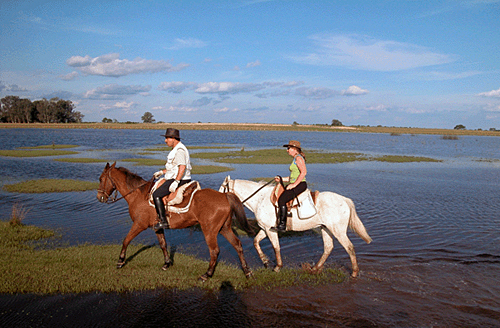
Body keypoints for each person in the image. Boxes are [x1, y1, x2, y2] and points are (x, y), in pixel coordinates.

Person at [152, 128, 192, 231]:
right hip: (175, 176)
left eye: (167, 138)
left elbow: (182, 167)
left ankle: (163, 222)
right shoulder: (175, 149)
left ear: (174, 138)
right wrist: (162, 172)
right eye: (165, 138)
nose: (165, 141)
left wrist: (177, 182)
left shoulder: (179, 150)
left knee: (156, 194)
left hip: (180, 179)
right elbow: (173, 168)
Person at [271, 140, 307, 232]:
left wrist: (294, 185)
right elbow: (292, 177)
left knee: (282, 199)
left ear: (295, 149)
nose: (287, 150)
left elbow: (303, 172)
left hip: (300, 184)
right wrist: (281, 179)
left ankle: (282, 226)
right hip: (296, 183)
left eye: (289, 148)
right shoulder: (295, 158)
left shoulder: (298, 159)